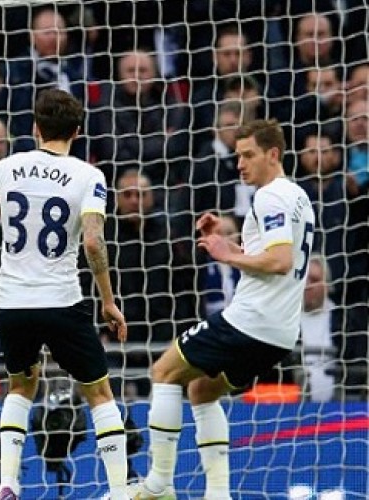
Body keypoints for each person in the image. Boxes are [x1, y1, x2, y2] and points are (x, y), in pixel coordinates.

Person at [0, 89, 131, 500]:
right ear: (76, 131)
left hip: (13, 304)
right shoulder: (89, 176)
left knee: (20, 388)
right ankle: (120, 492)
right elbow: (93, 243)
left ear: (35, 129)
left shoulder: (8, 167)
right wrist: (108, 300)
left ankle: (7, 485)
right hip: (62, 302)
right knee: (99, 394)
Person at [132, 119, 316, 500]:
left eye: (249, 155)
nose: (241, 164)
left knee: (163, 371)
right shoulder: (298, 197)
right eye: (237, 156)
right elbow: (272, 252)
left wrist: (225, 256)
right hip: (280, 333)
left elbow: (279, 261)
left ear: (273, 154)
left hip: (249, 321)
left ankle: (158, 485)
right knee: (201, 390)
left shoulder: (270, 196)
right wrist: (228, 241)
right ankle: (218, 494)